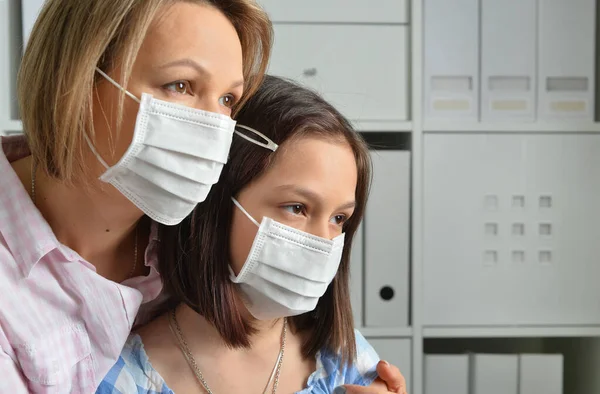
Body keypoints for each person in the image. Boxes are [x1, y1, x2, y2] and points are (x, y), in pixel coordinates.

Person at [0, 0, 271, 391]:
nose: (214, 126)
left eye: (228, 100)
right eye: (180, 85)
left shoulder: (209, 233)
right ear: (72, 81)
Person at [97, 75, 408, 394]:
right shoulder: (123, 380)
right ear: (216, 205)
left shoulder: (346, 360)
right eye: (297, 208)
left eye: (339, 218)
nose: (323, 240)